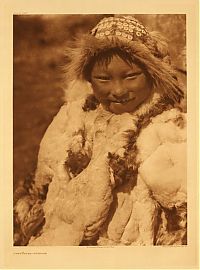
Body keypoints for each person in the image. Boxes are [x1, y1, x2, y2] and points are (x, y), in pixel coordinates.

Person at [14, 15, 187, 246]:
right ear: (89, 79)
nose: (117, 90)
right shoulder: (73, 117)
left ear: (152, 75)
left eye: (131, 76)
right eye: (103, 78)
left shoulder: (168, 127)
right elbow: (45, 178)